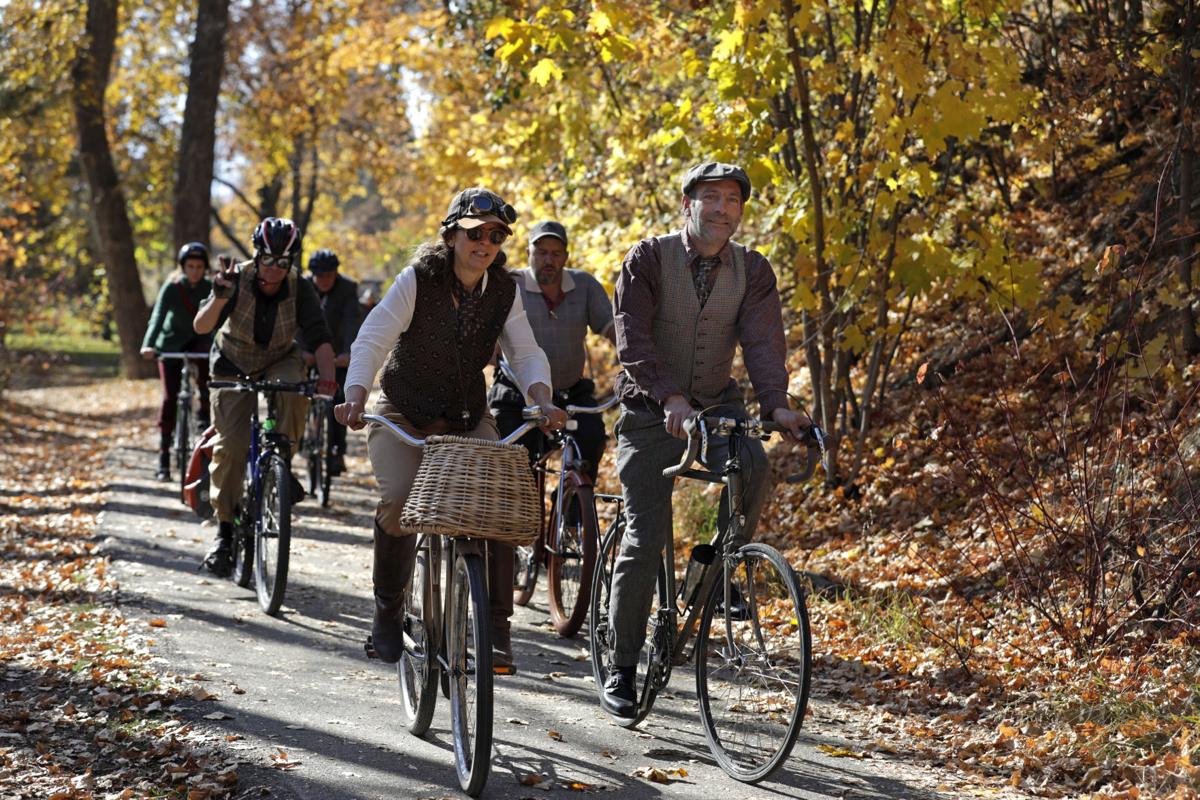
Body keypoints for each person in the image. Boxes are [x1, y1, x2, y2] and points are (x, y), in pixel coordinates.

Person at [600, 162, 811, 717]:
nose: (723, 209)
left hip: (718, 403)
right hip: (650, 409)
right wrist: (668, 396)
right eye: (711, 198)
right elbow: (633, 339)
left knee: (753, 468)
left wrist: (778, 406)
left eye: (733, 201)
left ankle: (711, 572)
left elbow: (764, 345)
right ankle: (622, 664)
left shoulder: (754, 271)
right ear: (687, 204)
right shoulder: (647, 259)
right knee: (645, 537)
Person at [335, 188, 567, 674]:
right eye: (474, 233)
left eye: (496, 235)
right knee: (399, 500)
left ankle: (497, 633)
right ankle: (388, 608)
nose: (485, 243)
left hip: (466, 416)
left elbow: (523, 352)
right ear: (451, 235)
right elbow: (375, 337)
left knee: (500, 499)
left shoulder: (505, 291)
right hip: (405, 413)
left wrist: (541, 397)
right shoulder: (418, 279)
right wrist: (356, 393)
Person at [193, 217, 337, 577]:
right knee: (231, 446)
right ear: (256, 256)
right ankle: (224, 532)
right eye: (268, 260)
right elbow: (202, 326)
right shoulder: (233, 278)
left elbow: (319, 337)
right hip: (231, 361)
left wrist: (329, 379)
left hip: (278, 358)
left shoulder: (299, 288)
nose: (275, 270)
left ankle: (281, 463)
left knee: (296, 390)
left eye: (283, 263)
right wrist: (219, 296)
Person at [488, 220, 616, 487]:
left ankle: (573, 514)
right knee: (517, 461)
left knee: (592, 437)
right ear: (528, 254)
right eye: (542, 252)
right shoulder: (511, 285)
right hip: (517, 393)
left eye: (556, 253)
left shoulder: (584, 286)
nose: (549, 259)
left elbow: (613, 329)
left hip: (570, 391)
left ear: (566, 257)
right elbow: (486, 336)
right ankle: (524, 515)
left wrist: (635, 361)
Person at [141, 242, 214, 481]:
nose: (194, 271)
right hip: (170, 344)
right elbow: (158, 316)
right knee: (170, 397)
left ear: (205, 268)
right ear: (182, 267)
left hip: (199, 343)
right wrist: (148, 344)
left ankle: (203, 416)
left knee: (206, 381)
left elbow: (218, 319)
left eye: (199, 267)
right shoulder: (172, 287)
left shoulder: (210, 288)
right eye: (190, 266)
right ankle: (164, 456)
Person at [303, 249, 362, 475]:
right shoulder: (304, 287)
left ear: (336, 273)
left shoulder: (347, 289)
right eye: (320, 276)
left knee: (339, 397)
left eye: (329, 275)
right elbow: (298, 322)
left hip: (337, 353)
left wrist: (348, 352)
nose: (324, 281)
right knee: (297, 391)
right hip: (308, 349)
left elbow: (351, 322)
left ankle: (337, 450)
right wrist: (300, 351)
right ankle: (300, 438)